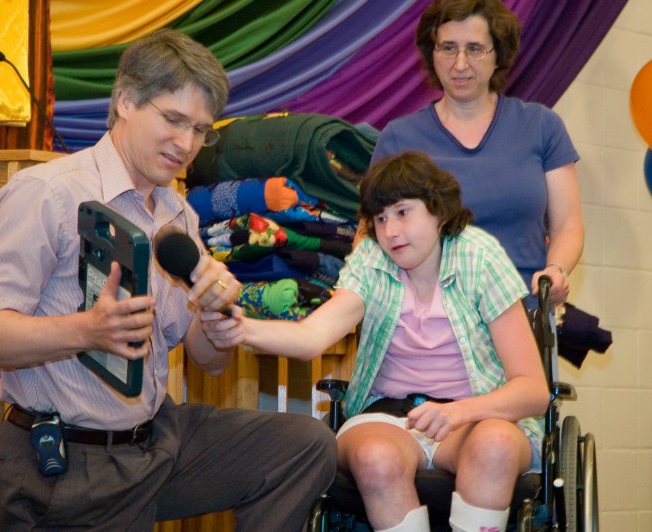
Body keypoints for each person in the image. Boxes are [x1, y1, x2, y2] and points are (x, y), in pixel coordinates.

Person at [0, 29, 335, 531]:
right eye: (173, 120)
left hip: (155, 444)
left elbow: (208, 362)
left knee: (302, 446)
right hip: (61, 464)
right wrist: (86, 331)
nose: (187, 144)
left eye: (202, 130)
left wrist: (216, 319)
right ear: (125, 101)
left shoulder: (178, 215)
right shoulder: (46, 194)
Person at [203, 151, 549, 532]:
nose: (391, 232)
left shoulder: (480, 256)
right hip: (388, 416)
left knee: (495, 446)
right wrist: (242, 329)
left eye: (403, 213)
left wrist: (457, 412)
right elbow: (311, 336)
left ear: (439, 210)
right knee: (374, 457)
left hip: (475, 416)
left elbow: (533, 391)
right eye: (380, 219)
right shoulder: (372, 260)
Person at [372, 0, 584, 308]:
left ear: (497, 54)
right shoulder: (398, 137)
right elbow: (370, 233)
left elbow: (568, 225)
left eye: (474, 48)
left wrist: (556, 271)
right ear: (432, 53)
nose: (460, 64)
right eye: (448, 48)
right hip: (426, 327)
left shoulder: (541, 126)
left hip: (523, 317)